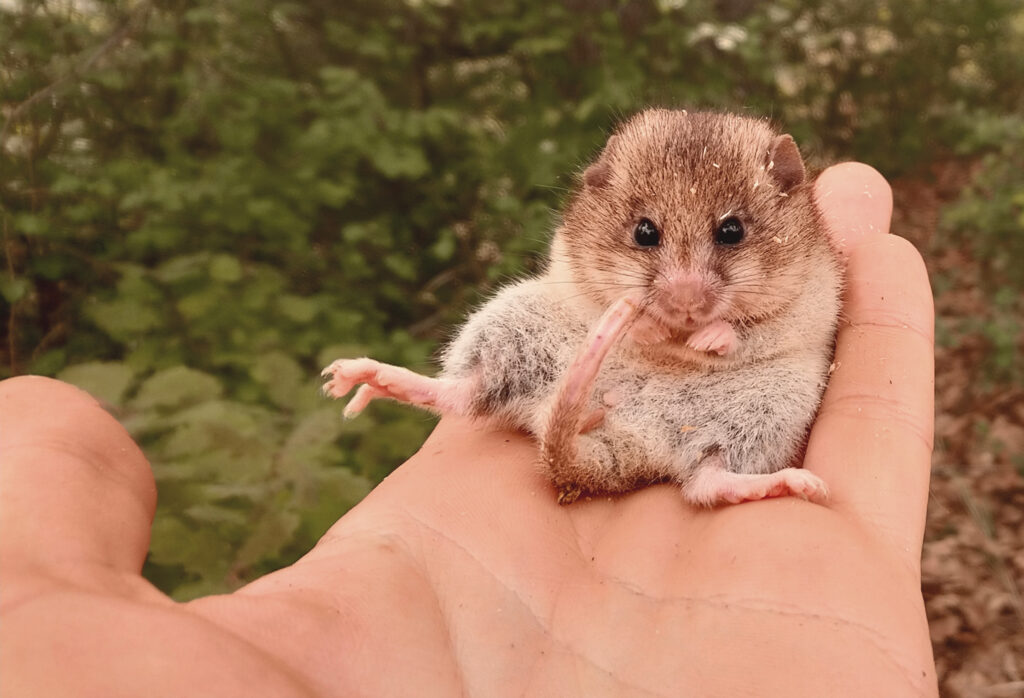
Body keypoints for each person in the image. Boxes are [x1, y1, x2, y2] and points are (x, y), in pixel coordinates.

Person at [0, 163, 937, 697]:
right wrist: (634, 324)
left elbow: (802, 321)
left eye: (727, 238)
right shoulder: (596, 253)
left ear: (777, 202)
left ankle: (712, 473)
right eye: (651, 241)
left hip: (704, 397)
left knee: (795, 381)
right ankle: (459, 392)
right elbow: (581, 289)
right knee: (527, 312)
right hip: (604, 376)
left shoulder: (806, 255)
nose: (686, 283)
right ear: (608, 205)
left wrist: (736, 335)